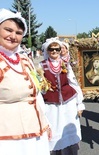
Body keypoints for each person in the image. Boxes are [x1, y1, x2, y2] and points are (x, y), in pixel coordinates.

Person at [0, 8, 51, 155]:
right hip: (8, 140)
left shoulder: (25, 60)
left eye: (18, 33)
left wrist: (45, 122)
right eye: (8, 30)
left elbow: (36, 95)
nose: (13, 36)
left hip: (35, 133)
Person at [39, 37, 85, 155]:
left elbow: (73, 82)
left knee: (68, 129)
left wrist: (79, 104)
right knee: (54, 130)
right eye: (51, 49)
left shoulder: (65, 64)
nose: (54, 51)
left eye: (57, 49)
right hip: (51, 105)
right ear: (47, 50)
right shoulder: (41, 66)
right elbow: (38, 88)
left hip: (68, 103)